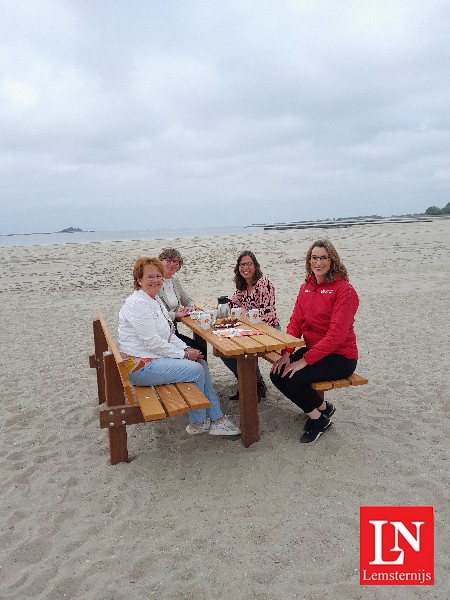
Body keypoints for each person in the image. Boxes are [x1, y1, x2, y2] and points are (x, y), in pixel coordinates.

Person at [118, 256, 240, 436]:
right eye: (150, 277)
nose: (155, 280)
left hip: (151, 357)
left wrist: (186, 349)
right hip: (139, 366)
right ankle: (199, 421)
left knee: (202, 363)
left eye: (158, 276)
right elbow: (152, 342)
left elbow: (169, 333)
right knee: (196, 370)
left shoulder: (154, 299)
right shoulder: (138, 303)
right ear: (139, 279)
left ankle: (217, 419)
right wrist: (184, 355)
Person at [270, 240, 359, 443]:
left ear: (332, 260)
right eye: (314, 258)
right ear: (309, 261)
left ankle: (319, 420)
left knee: (295, 378)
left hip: (340, 356)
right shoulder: (307, 287)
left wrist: (304, 361)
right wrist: (287, 354)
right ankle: (322, 409)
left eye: (323, 258)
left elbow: (336, 336)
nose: (318, 262)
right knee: (277, 372)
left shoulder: (344, 290)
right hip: (315, 351)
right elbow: (295, 323)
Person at [222, 250, 280, 402]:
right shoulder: (243, 285)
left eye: (248, 264)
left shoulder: (263, 284)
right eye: (242, 264)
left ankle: (254, 385)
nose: (245, 268)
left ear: (255, 266)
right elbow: (233, 303)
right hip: (250, 328)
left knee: (243, 352)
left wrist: (244, 312)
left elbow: (265, 318)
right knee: (224, 351)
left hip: (269, 330)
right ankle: (252, 382)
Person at [157, 247, 207, 358]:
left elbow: (188, 300)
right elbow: (155, 313)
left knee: (200, 348)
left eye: (175, 261)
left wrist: (191, 307)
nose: (172, 264)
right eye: (168, 261)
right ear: (160, 262)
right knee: (199, 349)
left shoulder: (175, 281)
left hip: (172, 330)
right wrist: (176, 314)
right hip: (162, 334)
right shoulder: (155, 282)